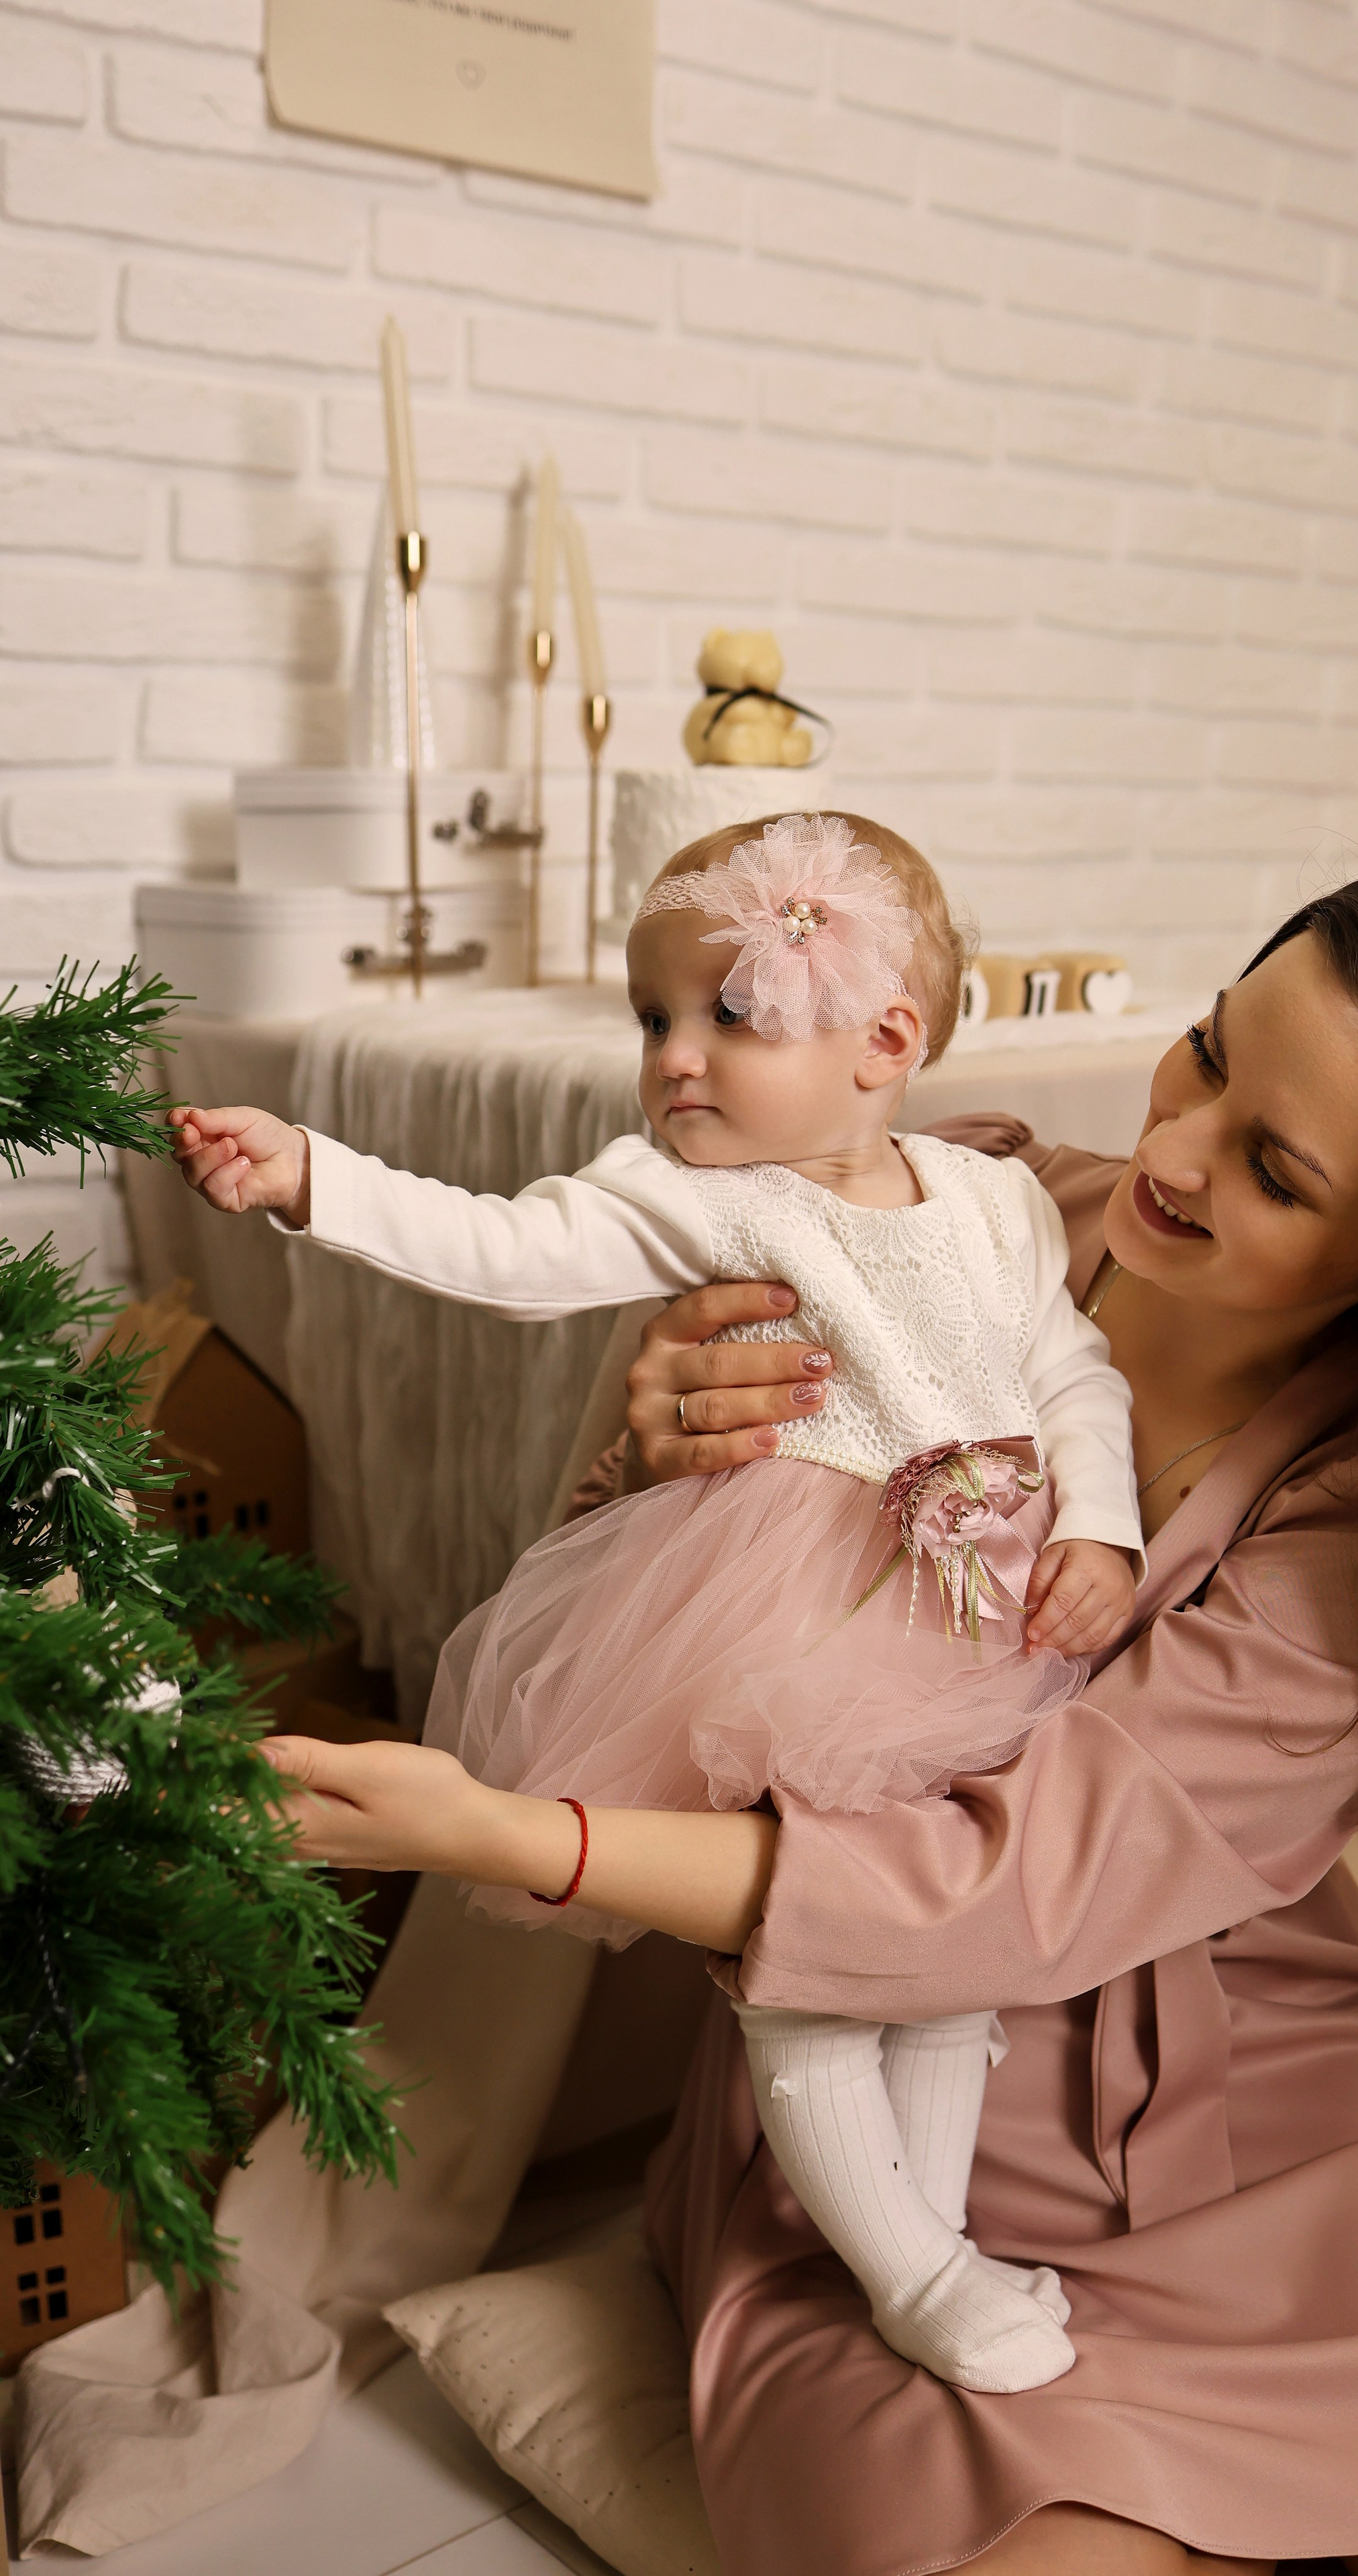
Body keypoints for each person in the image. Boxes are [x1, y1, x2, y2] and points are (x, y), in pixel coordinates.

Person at [238, 866, 1358, 2572]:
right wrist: (648, 1455)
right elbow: (658, 1646)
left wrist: (519, 1848)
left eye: (1272, 1168)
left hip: (1276, 2080)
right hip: (885, 2146)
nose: (1173, 1152)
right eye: (1206, 1056)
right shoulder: (958, 1201)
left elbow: (1021, 1884)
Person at [170, 809, 1145, 2398]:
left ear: (882, 1042)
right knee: (813, 1938)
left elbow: (1071, 1373)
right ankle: (907, 2274)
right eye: (653, 1021)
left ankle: (937, 2232)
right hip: (797, 1614)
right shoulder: (696, 1195)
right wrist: (310, 1179)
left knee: (949, 1952)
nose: (673, 1059)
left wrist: (1097, 1526)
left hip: (981, 1605)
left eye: (727, 1017)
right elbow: (496, 1242)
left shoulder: (992, 1203)